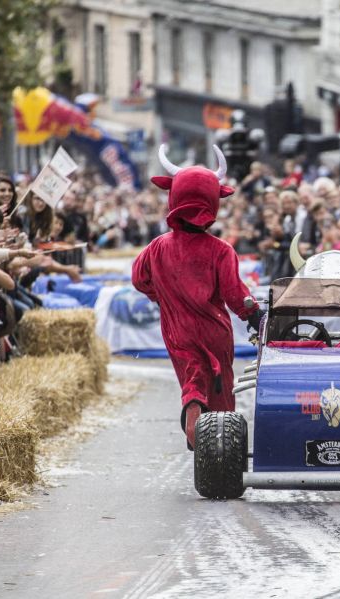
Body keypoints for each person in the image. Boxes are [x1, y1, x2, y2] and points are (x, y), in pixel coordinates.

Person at [132, 146, 259, 450]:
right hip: (214, 327)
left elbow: (139, 279)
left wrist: (161, 295)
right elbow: (234, 294)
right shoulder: (221, 250)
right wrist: (252, 314)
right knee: (220, 382)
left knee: (193, 372)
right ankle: (221, 446)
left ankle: (192, 403)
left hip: (176, 326)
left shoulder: (157, 247)